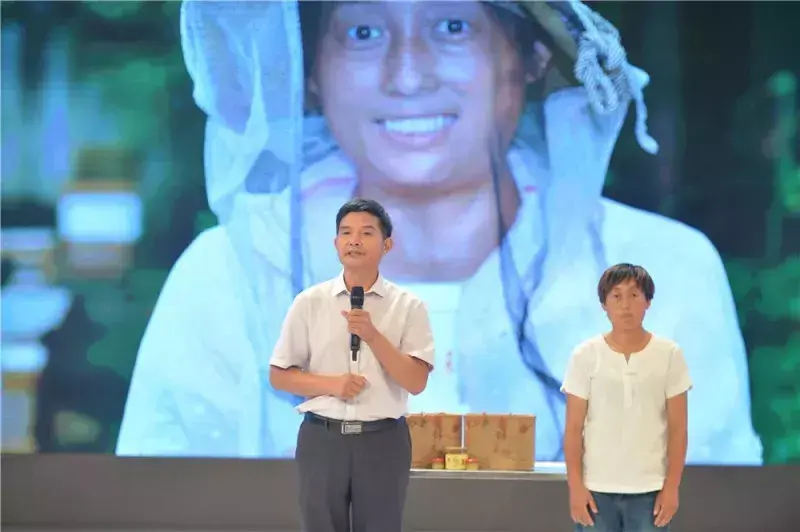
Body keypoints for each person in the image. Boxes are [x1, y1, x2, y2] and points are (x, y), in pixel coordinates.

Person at [117, 0, 761, 464]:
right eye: (364, 32)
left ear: (532, 55)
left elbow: (715, 503)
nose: (407, 75)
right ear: (312, 70)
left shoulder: (658, 271)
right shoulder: (230, 276)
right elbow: (161, 503)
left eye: (452, 27)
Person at [269, 198, 434, 532]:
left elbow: (416, 381)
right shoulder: (309, 302)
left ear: (387, 245)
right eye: (346, 233)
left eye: (366, 233)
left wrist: (372, 335)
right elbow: (279, 375)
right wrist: (332, 385)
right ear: (336, 243)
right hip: (322, 439)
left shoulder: (409, 306)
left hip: (383, 440)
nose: (354, 240)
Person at [562, 264, 691, 532]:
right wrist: (575, 488)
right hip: (596, 490)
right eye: (616, 296)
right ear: (604, 304)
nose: (625, 305)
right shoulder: (585, 355)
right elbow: (573, 429)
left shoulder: (669, 354)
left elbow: (678, 429)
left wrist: (671, 488)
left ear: (648, 302)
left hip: (651, 491)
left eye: (634, 295)